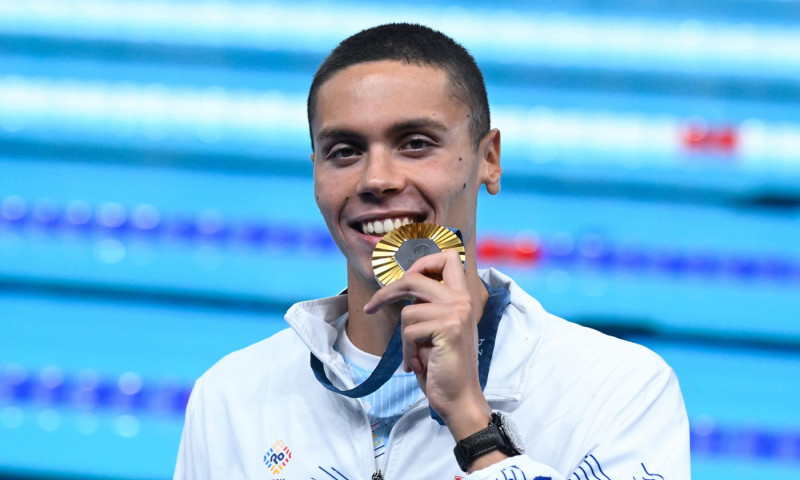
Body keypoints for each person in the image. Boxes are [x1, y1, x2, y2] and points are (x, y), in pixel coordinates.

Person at [174, 23, 690, 479]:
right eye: (344, 151)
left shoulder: (616, 390)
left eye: (416, 143)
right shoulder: (232, 397)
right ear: (316, 172)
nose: (377, 179)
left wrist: (471, 420)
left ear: (489, 160)